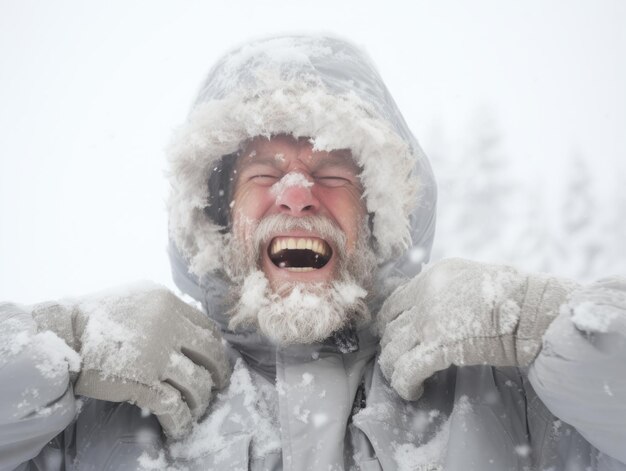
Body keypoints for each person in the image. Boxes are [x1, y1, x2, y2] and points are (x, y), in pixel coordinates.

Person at [1, 35, 624, 471]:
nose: (296, 194)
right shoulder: (105, 406)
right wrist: (62, 347)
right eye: (263, 173)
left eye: (332, 173)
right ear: (219, 217)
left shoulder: (505, 398)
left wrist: (543, 324)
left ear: (378, 214)